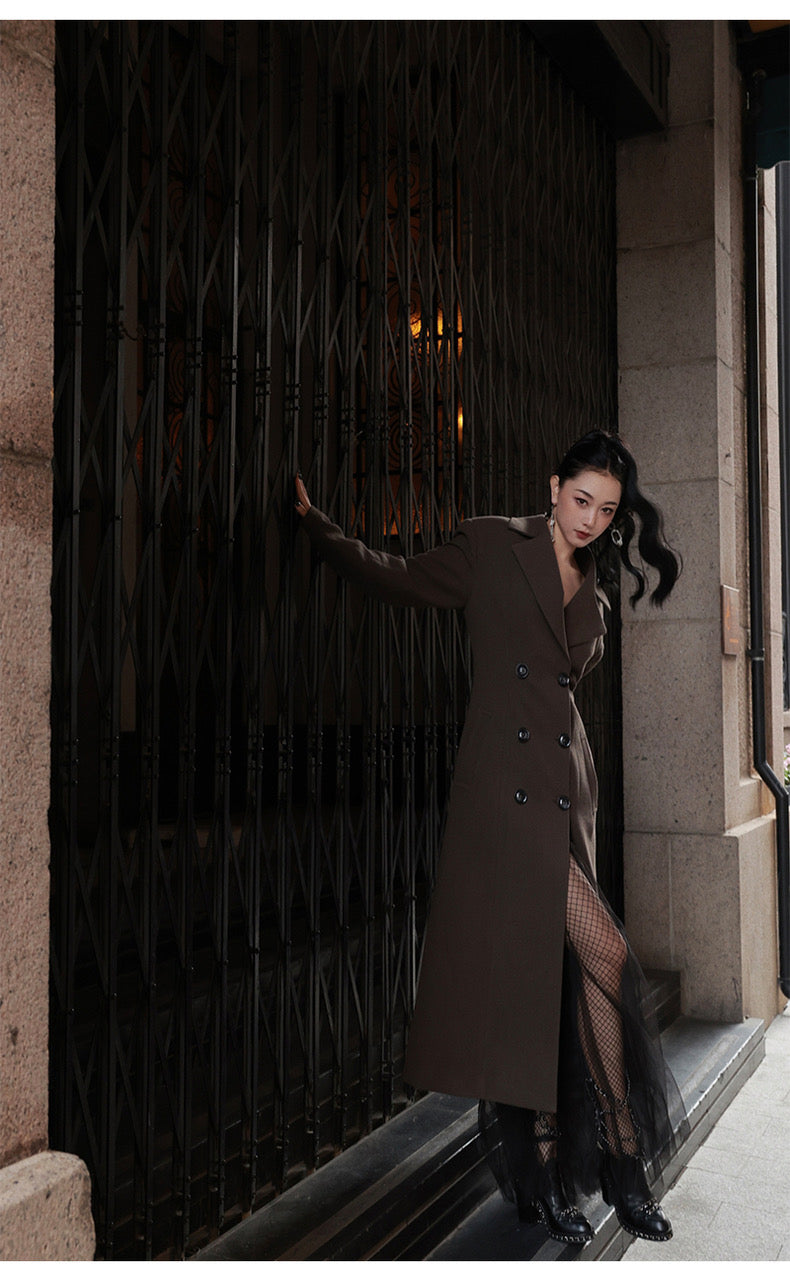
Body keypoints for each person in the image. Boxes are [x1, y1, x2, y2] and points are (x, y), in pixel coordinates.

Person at [294, 430, 688, 1250]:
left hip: (562, 799)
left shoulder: (596, 589)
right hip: (505, 805)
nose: (590, 518)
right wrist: (318, 527)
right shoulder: (488, 545)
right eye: (580, 499)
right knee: (591, 960)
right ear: (553, 487)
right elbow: (398, 575)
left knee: (561, 975)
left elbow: (564, 694)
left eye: (606, 509)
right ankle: (585, 1163)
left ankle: (606, 1165)